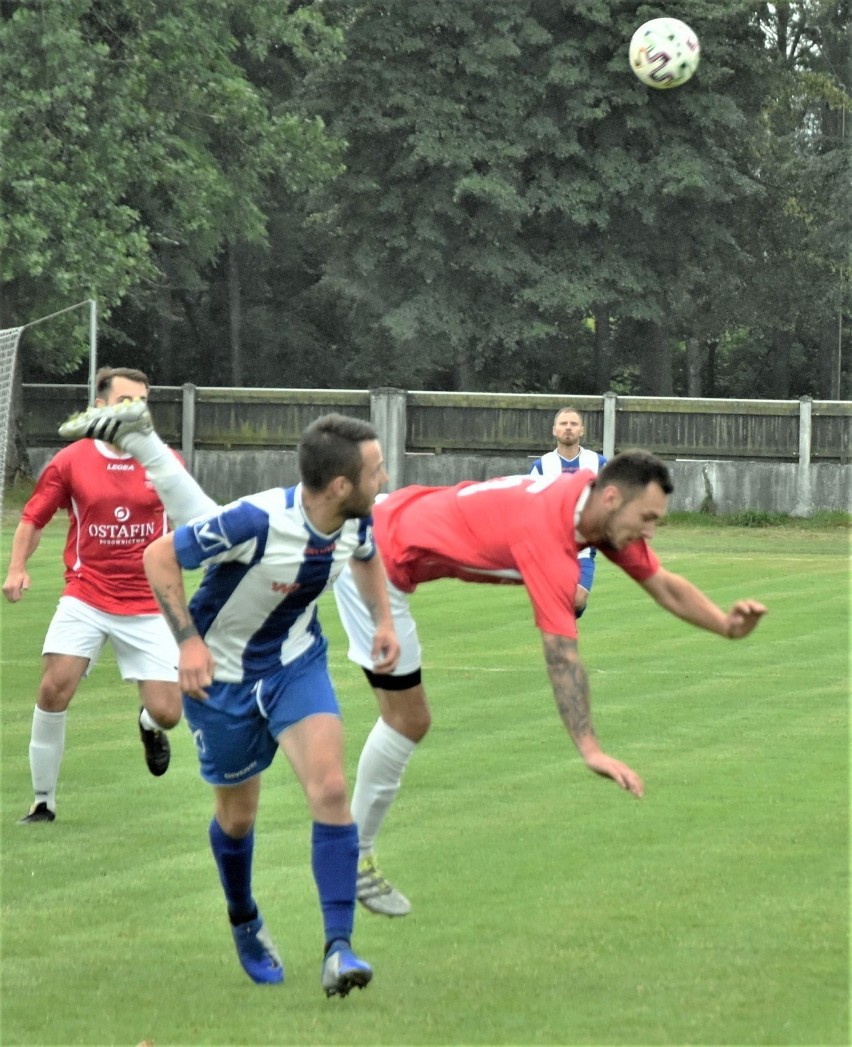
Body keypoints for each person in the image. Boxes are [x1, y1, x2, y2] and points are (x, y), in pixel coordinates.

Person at [57, 402, 767, 929]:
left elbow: (661, 580)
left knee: (237, 529)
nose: (651, 530)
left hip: (391, 529)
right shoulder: (548, 535)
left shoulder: (591, 514)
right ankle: (358, 857)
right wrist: (588, 746)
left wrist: (723, 625)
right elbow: (561, 652)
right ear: (612, 497)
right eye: (649, 517)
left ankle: (145, 440)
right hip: (381, 565)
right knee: (403, 709)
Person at [58, 402, 400, 995]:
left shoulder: (355, 518)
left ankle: (339, 949)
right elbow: (158, 556)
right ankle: (243, 917)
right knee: (237, 819)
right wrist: (188, 644)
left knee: (330, 788)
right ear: (341, 483)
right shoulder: (257, 520)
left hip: (296, 665)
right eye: (376, 472)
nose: (385, 481)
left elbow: (367, 558)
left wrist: (383, 621)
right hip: (220, 681)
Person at [3, 367, 183, 824]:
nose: (136, 409)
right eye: (126, 400)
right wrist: (17, 567)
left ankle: (147, 724)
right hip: (87, 595)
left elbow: (190, 522)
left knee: (168, 714)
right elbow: (33, 518)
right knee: (52, 689)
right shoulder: (72, 460)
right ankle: (43, 802)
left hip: (147, 603)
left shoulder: (165, 461)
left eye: (142, 400)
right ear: (99, 406)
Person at [529, 406, 607, 617]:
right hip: (552, 547)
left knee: (577, 600)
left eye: (573, 424)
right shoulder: (541, 466)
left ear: (582, 430)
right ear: (554, 430)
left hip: (583, 547)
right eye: (563, 424)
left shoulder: (598, 463)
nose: (568, 428)